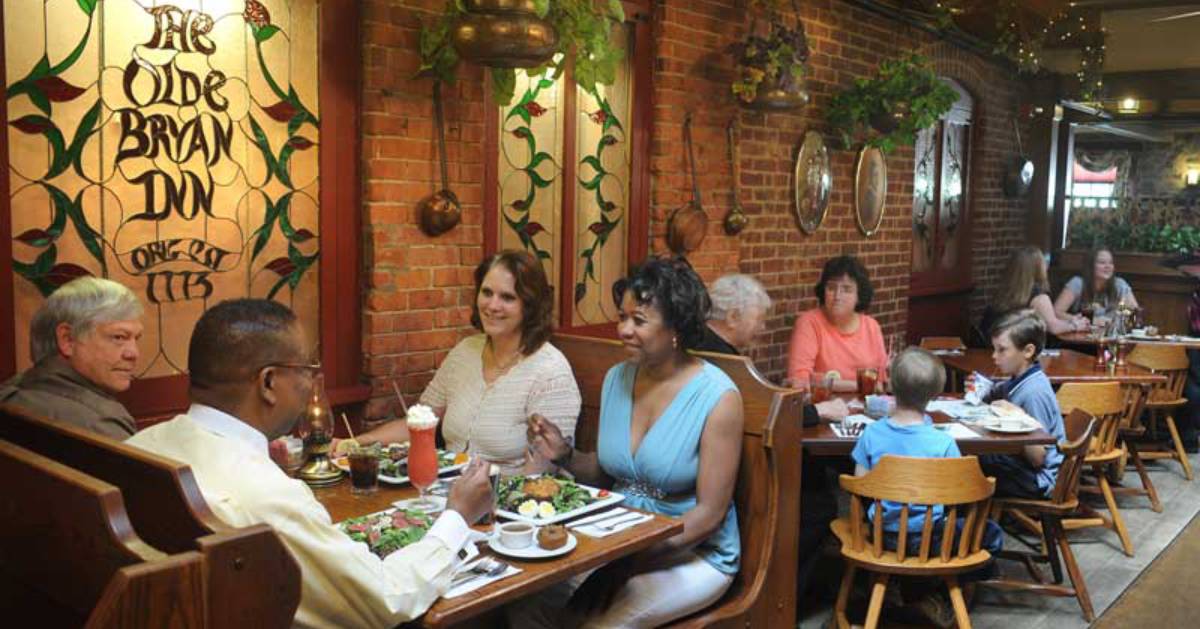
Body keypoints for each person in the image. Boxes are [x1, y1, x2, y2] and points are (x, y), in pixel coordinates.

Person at [127, 299, 494, 628]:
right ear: (269, 382)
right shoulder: (268, 498)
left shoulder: (138, 447)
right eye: (307, 368)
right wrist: (457, 517)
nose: (312, 382)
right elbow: (386, 599)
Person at [515, 257, 744, 628]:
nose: (623, 329)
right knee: (528, 604)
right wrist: (566, 455)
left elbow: (709, 516)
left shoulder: (717, 397)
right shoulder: (617, 378)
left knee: (596, 624)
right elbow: (609, 475)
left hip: (692, 553)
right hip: (617, 539)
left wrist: (628, 564)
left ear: (676, 328)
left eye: (638, 321)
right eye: (622, 317)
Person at [355, 250, 581, 472]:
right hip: (444, 491)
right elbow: (418, 423)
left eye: (508, 297)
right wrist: (356, 444)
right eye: (487, 292)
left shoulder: (550, 372)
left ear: (530, 306)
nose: (492, 306)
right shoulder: (465, 352)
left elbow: (542, 473)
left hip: (506, 500)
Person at [851, 347, 1002, 627]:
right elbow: (960, 495)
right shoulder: (943, 443)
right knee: (989, 533)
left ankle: (898, 590)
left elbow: (860, 486)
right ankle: (939, 596)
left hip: (882, 536)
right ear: (934, 396)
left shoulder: (871, 434)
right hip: (932, 538)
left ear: (891, 386)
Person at [0, 277, 142, 439]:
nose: (133, 353)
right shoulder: (100, 424)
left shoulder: (9, 396)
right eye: (119, 337)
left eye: (136, 338)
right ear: (67, 339)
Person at [976, 310, 1066, 498]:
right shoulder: (1020, 380)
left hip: (1039, 480)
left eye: (1002, 350)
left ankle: (970, 521)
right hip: (1022, 467)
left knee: (971, 466)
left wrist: (1017, 417)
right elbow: (1001, 391)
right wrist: (984, 389)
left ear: (1028, 351)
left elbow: (1037, 457)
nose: (994, 356)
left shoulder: (1033, 393)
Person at [787, 255, 888, 392]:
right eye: (831, 288)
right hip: (824, 409)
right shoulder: (809, 323)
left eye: (846, 289)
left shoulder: (872, 326)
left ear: (859, 295)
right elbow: (799, 380)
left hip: (867, 410)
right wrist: (860, 386)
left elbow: (881, 381)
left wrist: (826, 381)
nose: (837, 296)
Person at [980, 245, 1086, 340]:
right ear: (1039, 268)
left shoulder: (1004, 291)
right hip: (1015, 354)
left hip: (990, 349)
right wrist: (1076, 325)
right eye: (1045, 261)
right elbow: (1053, 327)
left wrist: (1070, 322)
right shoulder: (1039, 296)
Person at [1161, 251, 1200, 452]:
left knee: (1192, 386)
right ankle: (1188, 436)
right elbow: (1169, 261)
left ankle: (1189, 437)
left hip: (1194, 341)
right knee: (1190, 383)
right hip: (1191, 340)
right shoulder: (1192, 289)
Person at [1053, 246, 1138, 320]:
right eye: (1102, 262)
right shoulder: (1077, 283)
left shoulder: (1119, 284)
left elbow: (1134, 311)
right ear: (1090, 266)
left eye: (1111, 263)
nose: (1107, 266)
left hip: (1111, 335)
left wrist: (1121, 310)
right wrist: (1080, 320)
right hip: (1081, 334)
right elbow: (1057, 312)